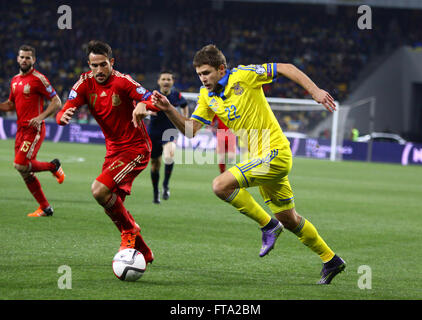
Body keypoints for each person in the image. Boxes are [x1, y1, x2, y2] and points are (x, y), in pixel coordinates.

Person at [144, 44, 345, 284]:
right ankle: (330, 259)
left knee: (220, 185)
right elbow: (190, 130)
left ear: (221, 69)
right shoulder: (206, 96)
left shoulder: (244, 76)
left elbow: (286, 67)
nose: (203, 78)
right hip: (258, 160)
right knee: (289, 219)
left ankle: (268, 225)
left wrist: (315, 91)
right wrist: (168, 109)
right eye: (199, 74)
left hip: (275, 153)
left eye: (206, 73)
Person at [56, 40, 156, 263]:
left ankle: (130, 232)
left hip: (136, 148)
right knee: (111, 204)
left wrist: (144, 104)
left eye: (103, 65)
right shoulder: (84, 84)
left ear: (111, 62)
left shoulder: (123, 82)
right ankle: (144, 252)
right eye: (94, 66)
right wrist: (62, 116)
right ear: (88, 65)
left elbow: (151, 98)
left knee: (99, 190)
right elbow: (66, 107)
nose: (99, 71)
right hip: (113, 152)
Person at [0, 45, 65, 217]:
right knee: (24, 171)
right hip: (20, 130)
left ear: (34, 60)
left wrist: (41, 117)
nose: (24, 60)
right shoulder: (14, 80)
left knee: (19, 164)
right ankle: (45, 207)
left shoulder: (39, 79)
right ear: (17, 58)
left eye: (28, 57)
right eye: (22, 57)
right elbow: (11, 104)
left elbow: (57, 102)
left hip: (34, 130)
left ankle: (53, 166)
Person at [148, 71, 188, 203]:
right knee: (155, 164)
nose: (166, 81)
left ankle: (165, 185)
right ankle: (155, 191)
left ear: (172, 82)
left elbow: (184, 105)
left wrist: (185, 119)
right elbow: (143, 106)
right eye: (163, 79)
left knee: (169, 156)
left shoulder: (176, 95)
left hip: (169, 131)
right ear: (159, 81)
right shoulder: (152, 95)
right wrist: (148, 111)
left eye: (168, 79)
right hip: (153, 133)